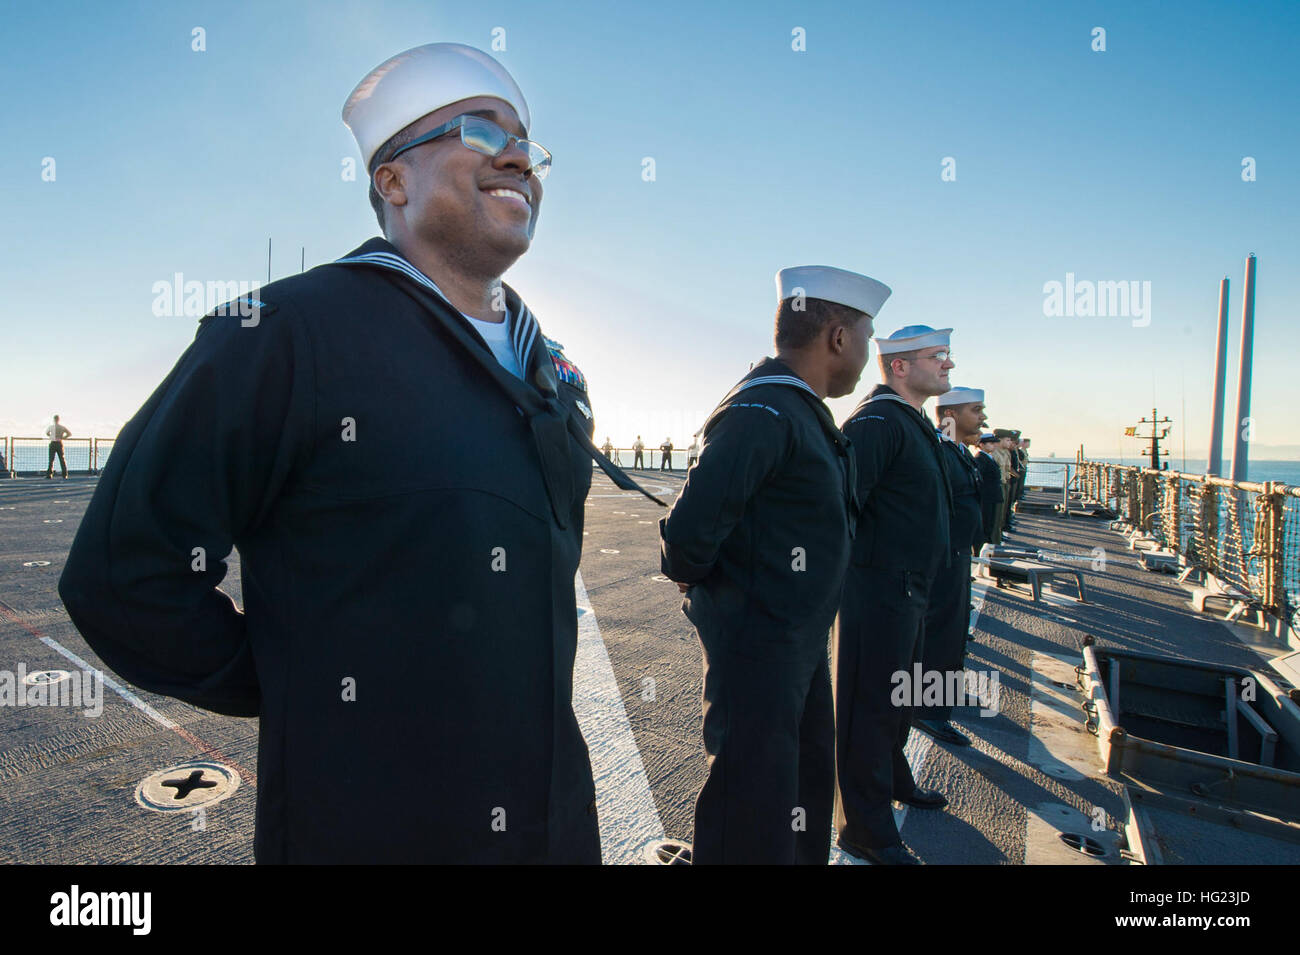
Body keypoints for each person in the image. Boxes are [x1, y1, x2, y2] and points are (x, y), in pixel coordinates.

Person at [59, 42, 660, 864]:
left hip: (552, 821)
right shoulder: (286, 335)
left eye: (528, 142)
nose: (519, 155)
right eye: (482, 133)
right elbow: (122, 575)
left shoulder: (553, 368)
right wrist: (300, 683)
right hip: (372, 828)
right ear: (393, 179)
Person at [661, 265, 889, 864]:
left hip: (798, 641)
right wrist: (703, 579)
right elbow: (689, 533)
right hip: (761, 642)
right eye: (867, 337)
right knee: (754, 795)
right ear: (838, 336)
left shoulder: (797, 410)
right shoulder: (764, 410)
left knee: (802, 782)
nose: (869, 355)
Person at [834, 324, 955, 866]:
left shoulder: (910, 421)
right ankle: (866, 829)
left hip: (910, 589)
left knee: (899, 701)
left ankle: (895, 777)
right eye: (939, 356)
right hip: (878, 591)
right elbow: (839, 503)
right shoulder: (879, 420)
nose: (948, 365)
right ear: (901, 366)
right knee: (869, 708)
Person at [914, 387, 986, 747]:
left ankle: (941, 696)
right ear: (952, 416)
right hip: (943, 558)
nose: (983, 418)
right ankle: (928, 710)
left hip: (957, 556)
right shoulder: (941, 452)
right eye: (977, 410)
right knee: (939, 632)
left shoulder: (957, 452)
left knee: (953, 631)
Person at [974, 432, 1004, 548]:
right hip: (986, 497)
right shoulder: (980, 458)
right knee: (985, 524)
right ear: (981, 445)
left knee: (991, 523)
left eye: (995, 443)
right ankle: (983, 550)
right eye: (991, 443)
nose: (994, 446)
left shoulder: (988, 457)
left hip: (991, 496)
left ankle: (988, 547)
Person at [45, 414, 71, 479]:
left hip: (53, 443)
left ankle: (49, 474)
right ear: (58, 420)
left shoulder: (51, 427)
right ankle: (65, 474)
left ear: (54, 420)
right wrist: (63, 437)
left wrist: (51, 436)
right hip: (59, 443)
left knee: (51, 460)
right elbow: (69, 433)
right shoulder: (62, 427)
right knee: (62, 459)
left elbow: (47, 433)